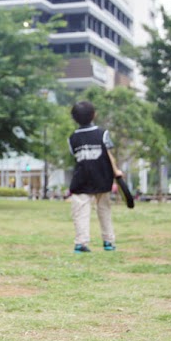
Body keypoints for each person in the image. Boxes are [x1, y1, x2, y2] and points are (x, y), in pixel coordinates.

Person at [67, 100, 123, 254]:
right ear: (94, 115)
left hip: (81, 179)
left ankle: (81, 243)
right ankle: (108, 241)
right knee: (104, 209)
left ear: (74, 118)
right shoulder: (103, 134)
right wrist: (116, 171)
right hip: (102, 177)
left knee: (80, 212)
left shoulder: (72, 138)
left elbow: (75, 156)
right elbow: (109, 155)